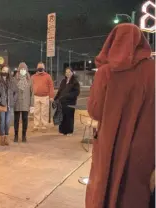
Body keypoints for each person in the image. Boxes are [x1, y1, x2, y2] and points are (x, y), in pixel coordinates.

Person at [86, 24, 155, 208]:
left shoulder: (105, 73)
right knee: (134, 194)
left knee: (104, 188)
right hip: (144, 149)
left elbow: (95, 111)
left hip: (109, 144)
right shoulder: (153, 71)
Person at [0, 65, 17, 146]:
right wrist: (0, 100)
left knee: (7, 122)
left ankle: (6, 137)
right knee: (2, 121)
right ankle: (2, 138)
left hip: (9, 105)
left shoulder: (11, 80)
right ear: (1, 70)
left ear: (8, 72)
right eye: (3, 70)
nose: (5, 72)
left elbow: (16, 92)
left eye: (6, 70)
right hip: (1, 104)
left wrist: (13, 100)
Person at [54, 67, 80, 136]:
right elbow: (59, 91)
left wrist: (68, 96)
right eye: (66, 72)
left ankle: (69, 131)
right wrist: (56, 98)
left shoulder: (75, 82)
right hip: (62, 102)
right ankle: (62, 131)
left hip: (70, 103)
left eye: (69, 72)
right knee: (62, 116)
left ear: (72, 72)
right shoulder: (63, 81)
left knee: (69, 117)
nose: (68, 73)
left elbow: (76, 92)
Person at [13, 62, 34, 143]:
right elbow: (12, 91)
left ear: (26, 70)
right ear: (18, 70)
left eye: (24, 69)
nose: (22, 70)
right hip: (17, 102)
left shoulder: (29, 80)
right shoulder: (15, 79)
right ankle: (16, 135)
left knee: (25, 120)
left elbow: (32, 93)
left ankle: (24, 135)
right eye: (21, 69)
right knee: (16, 120)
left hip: (26, 103)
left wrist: (32, 105)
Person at [31, 62, 54, 132]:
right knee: (36, 112)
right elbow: (30, 86)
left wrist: (51, 96)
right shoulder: (33, 77)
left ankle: (44, 125)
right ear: (37, 68)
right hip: (36, 96)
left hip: (45, 96)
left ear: (44, 68)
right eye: (39, 67)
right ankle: (36, 125)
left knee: (44, 112)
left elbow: (51, 87)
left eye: (41, 67)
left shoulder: (48, 76)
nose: (40, 68)